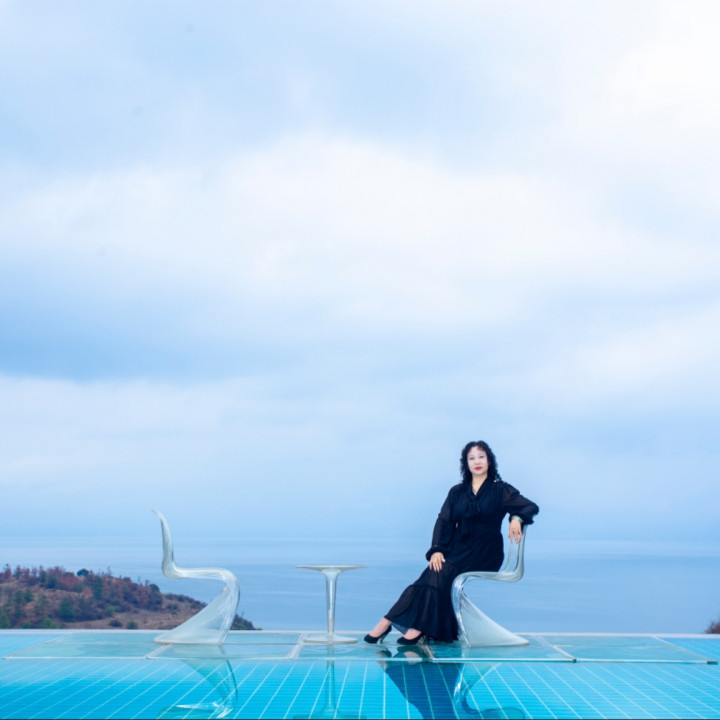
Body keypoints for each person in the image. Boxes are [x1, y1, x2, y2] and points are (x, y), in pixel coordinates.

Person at [364, 440, 539, 645]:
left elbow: (530, 506)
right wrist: (437, 550)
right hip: (457, 549)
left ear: (489, 461)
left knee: (439, 573)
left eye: (481, 457)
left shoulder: (501, 490)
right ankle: (394, 622)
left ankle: (400, 624)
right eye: (471, 458)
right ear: (466, 463)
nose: (477, 462)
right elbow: (444, 521)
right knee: (433, 571)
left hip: (485, 552)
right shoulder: (457, 492)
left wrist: (516, 518)